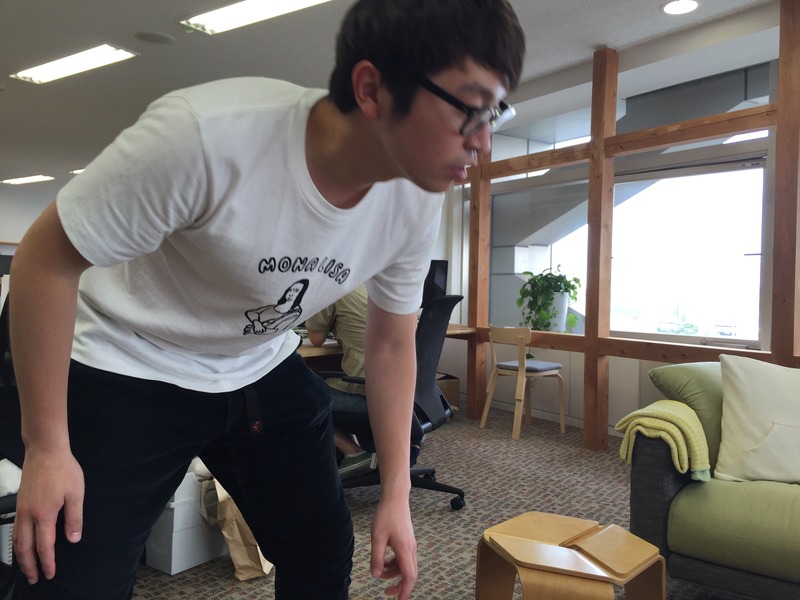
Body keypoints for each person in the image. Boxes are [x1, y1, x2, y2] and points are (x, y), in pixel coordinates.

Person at [6, 0, 525, 598]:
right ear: (371, 90)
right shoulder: (207, 135)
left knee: (322, 548)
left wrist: (396, 495)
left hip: (257, 362)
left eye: (497, 113)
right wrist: (46, 447)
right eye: (470, 109)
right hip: (130, 358)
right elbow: (44, 260)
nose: (484, 142)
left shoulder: (416, 194)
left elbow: (390, 343)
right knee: (70, 579)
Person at [305, 284, 375, 479]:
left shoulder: (331, 285)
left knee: (297, 397)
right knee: (329, 383)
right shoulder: (375, 282)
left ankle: (353, 451)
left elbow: (316, 338)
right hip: (407, 394)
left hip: (368, 395)